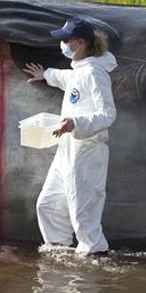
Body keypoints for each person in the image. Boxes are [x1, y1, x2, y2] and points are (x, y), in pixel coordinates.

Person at [23, 18, 117, 255]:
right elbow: (67, 79)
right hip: (68, 149)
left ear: (81, 42)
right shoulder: (80, 70)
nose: (62, 44)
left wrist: (76, 122)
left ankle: (95, 258)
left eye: (66, 40)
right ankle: (59, 251)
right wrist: (46, 75)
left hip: (87, 150)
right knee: (48, 205)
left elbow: (108, 114)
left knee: (83, 213)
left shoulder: (95, 73)